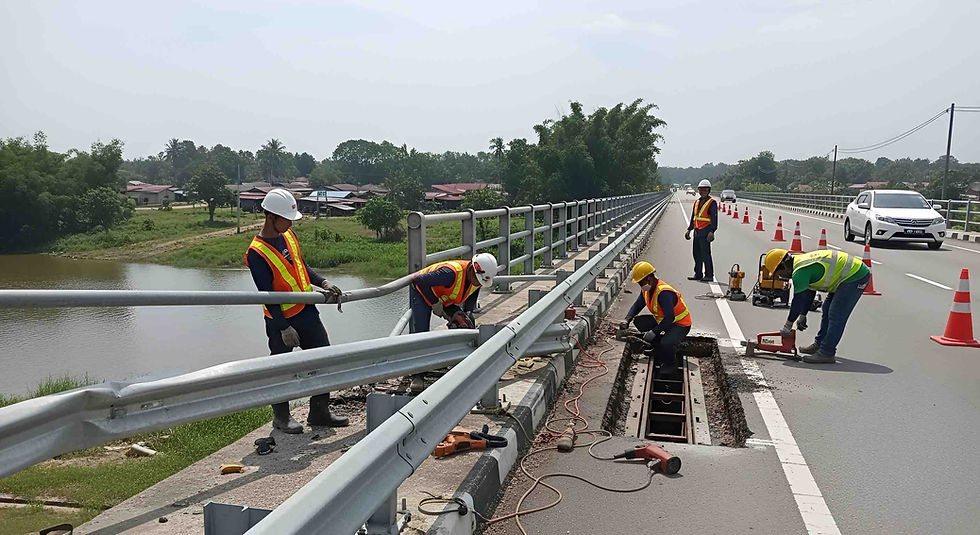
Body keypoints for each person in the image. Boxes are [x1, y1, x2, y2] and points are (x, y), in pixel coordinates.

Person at [244, 188, 349, 433]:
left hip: (306, 310)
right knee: (281, 369)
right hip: (280, 320)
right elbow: (267, 294)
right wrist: (283, 327)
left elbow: (301, 266)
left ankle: (319, 412)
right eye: (287, 219)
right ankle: (281, 417)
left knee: (323, 359)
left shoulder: (288, 235)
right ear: (271, 217)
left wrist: (322, 282)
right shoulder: (257, 253)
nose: (291, 223)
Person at [407, 252, 498, 392]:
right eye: (477, 279)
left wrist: (467, 312)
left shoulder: (477, 278)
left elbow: (473, 292)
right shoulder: (450, 274)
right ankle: (417, 374)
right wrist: (435, 303)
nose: (478, 283)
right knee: (421, 331)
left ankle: (459, 360)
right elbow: (419, 280)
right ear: (471, 269)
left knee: (465, 323)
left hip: (445, 296)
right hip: (422, 291)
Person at [764, 248, 870, 363]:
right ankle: (819, 344)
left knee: (836, 314)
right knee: (827, 308)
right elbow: (809, 291)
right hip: (843, 277)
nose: (781, 277)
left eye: (779, 274)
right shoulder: (799, 263)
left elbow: (798, 300)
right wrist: (803, 315)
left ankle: (827, 353)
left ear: (783, 266)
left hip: (856, 275)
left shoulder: (800, 272)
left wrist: (788, 325)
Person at [623, 261, 693, 377]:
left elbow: (669, 317)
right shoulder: (647, 290)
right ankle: (658, 350)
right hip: (664, 322)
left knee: (666, 343)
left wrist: (654, 332)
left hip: (680, 325)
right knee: (640, 322)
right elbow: (638, 305)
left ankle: (670, 364)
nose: (640, 285)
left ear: (649, 278)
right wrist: (627, 319)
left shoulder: (664, 293)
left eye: (641, 282)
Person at [684, 179, 718, 281]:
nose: (702, 191)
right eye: (701, 189)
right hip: (697, 231)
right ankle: (698, 274)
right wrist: (689, 230)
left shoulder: (712, 203)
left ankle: (709, 275)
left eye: (705, 189)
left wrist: (712, 231)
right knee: (696, 254)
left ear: (708, 191)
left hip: (706, 231)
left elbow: (714, 218)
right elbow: (693, 217)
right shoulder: (697, 202)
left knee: (705, 254)